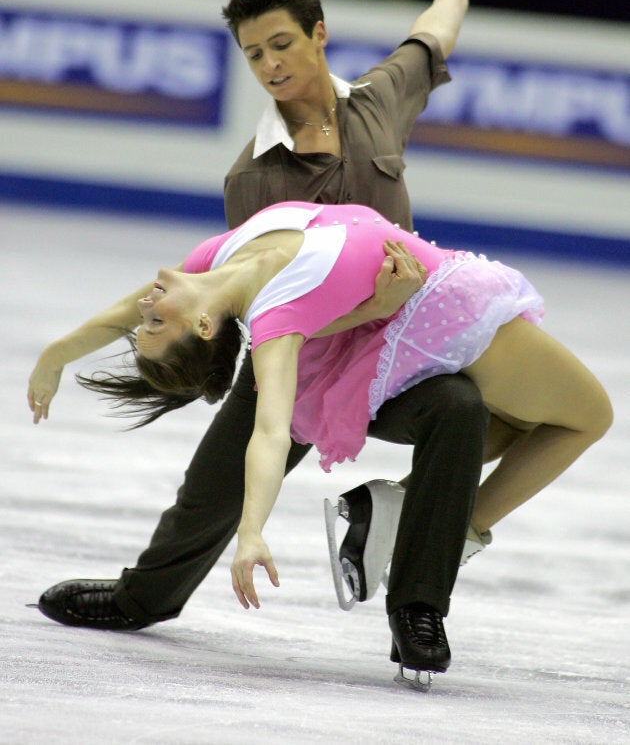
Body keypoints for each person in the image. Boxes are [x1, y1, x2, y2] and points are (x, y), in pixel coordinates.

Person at [30, 0, 507, 683]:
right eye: (254, 54)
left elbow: (430, 39)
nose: (270, 65)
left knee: (460, 410)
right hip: (303, 352)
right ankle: (143, 595)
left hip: (395, 352)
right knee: (217, 482)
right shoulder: (254, 176)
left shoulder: (378, 102)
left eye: (281, 44)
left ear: (318, 34)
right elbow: (259, 299)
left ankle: (418, 608)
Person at [30, 201, 612, 686]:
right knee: (587, 417)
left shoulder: (211, 260)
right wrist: (253, 532)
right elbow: (269, 434)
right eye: (156, 324)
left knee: (483, 422)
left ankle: (406, 557)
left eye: (147, 321)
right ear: (205, 328)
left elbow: (121, 310)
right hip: (444, 317)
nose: (146, 308)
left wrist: (56, 355)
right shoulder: (273, 322)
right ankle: (148, 596)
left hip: (397, 319)